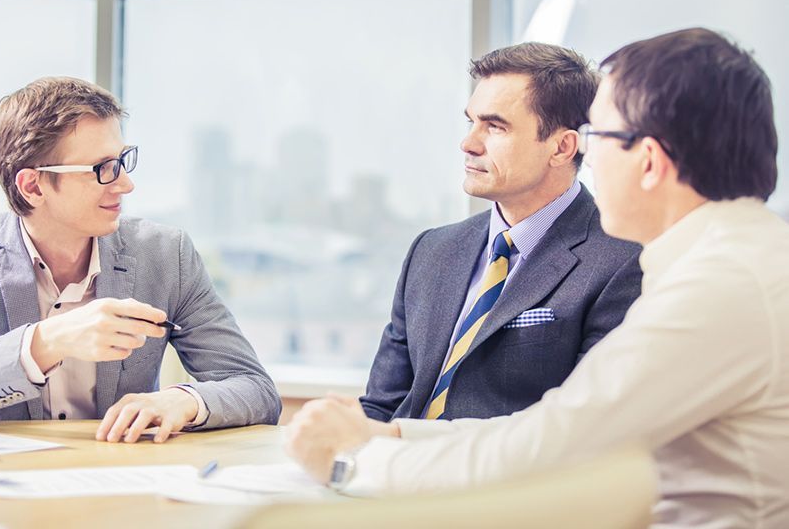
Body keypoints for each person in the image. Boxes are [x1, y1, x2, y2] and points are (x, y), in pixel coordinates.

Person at [287, 28, 789, 527]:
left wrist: (353, 464)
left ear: (650, 161)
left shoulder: (718, 288)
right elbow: (556, 429)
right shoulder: (736, 261)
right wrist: (391, 437)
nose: (587, 157)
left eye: (596, 136)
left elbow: (557, 449)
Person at [0, 76, 281, 442]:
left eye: (122, 160)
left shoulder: (167, 254)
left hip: (118, 479)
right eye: (103, 168)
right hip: (4, 482)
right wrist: (50, 339)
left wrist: (183, 400)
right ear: (33, 186)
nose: (125, 184)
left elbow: (257, 391)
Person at [361, 42, 641, 423]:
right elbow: (381, 406)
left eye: (495, 126)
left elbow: (581, 430)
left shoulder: (623, 262)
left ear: (562, 147)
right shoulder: (432, 250)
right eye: (471, 122)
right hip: (389, 470)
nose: (469, 143)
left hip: (502, 477)